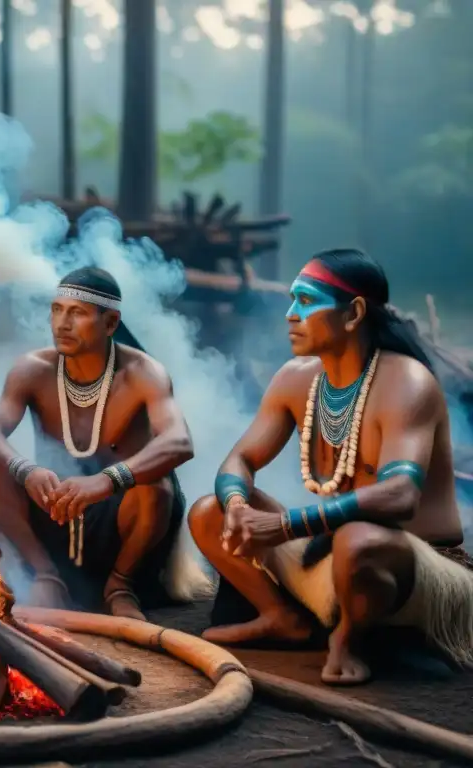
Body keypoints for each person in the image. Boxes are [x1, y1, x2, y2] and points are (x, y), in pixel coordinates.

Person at [188, 248, 473, 685]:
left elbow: (400, 494)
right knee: (210, 511)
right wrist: (238, 504)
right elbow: (240, 459)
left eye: (305, 301)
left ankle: (348, 639)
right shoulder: (295, 379)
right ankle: (280, 617)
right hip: (335, 555)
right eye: (290, 301)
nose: (290, 314)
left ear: (354, 313)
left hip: (419, 571)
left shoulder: (407, 382)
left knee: (359, 541)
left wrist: (284, 527)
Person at [0, 266, 206, 620]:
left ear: (110, 323)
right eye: (56, 310)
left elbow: (179, 442)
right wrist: (26, 471)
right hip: (57, 510)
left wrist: (105, 481)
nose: (61, 323)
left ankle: (120, 586)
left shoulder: (144, 373)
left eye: (77, 313)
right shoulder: (32, 369)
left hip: (121, 524)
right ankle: (46, 575)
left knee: (156, 486)